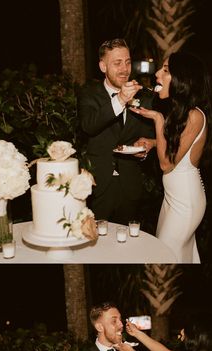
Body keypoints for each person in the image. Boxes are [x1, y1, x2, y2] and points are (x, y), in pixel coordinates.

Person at [131, 50, 212, 262]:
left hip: (185, 202)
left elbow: (167, 164)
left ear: (182, 79)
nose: (157, 74)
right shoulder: (182, 111)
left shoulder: (195, 115)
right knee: (176, 255)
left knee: (166, 259)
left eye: (166, 70)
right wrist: (152, 143)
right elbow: (176, 148)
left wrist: (158, 119)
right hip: (172, 197)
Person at [78, 38, 156, 225]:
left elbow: (155, 134)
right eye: (117, 63)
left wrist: (148, 145)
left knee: (127, 245)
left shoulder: (144, 96)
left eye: (128, 62)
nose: (124, 69)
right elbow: (88, 125)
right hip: (97, 186)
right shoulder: (89, 93)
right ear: (103, 66)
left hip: (130, 185)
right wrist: (121, 99)